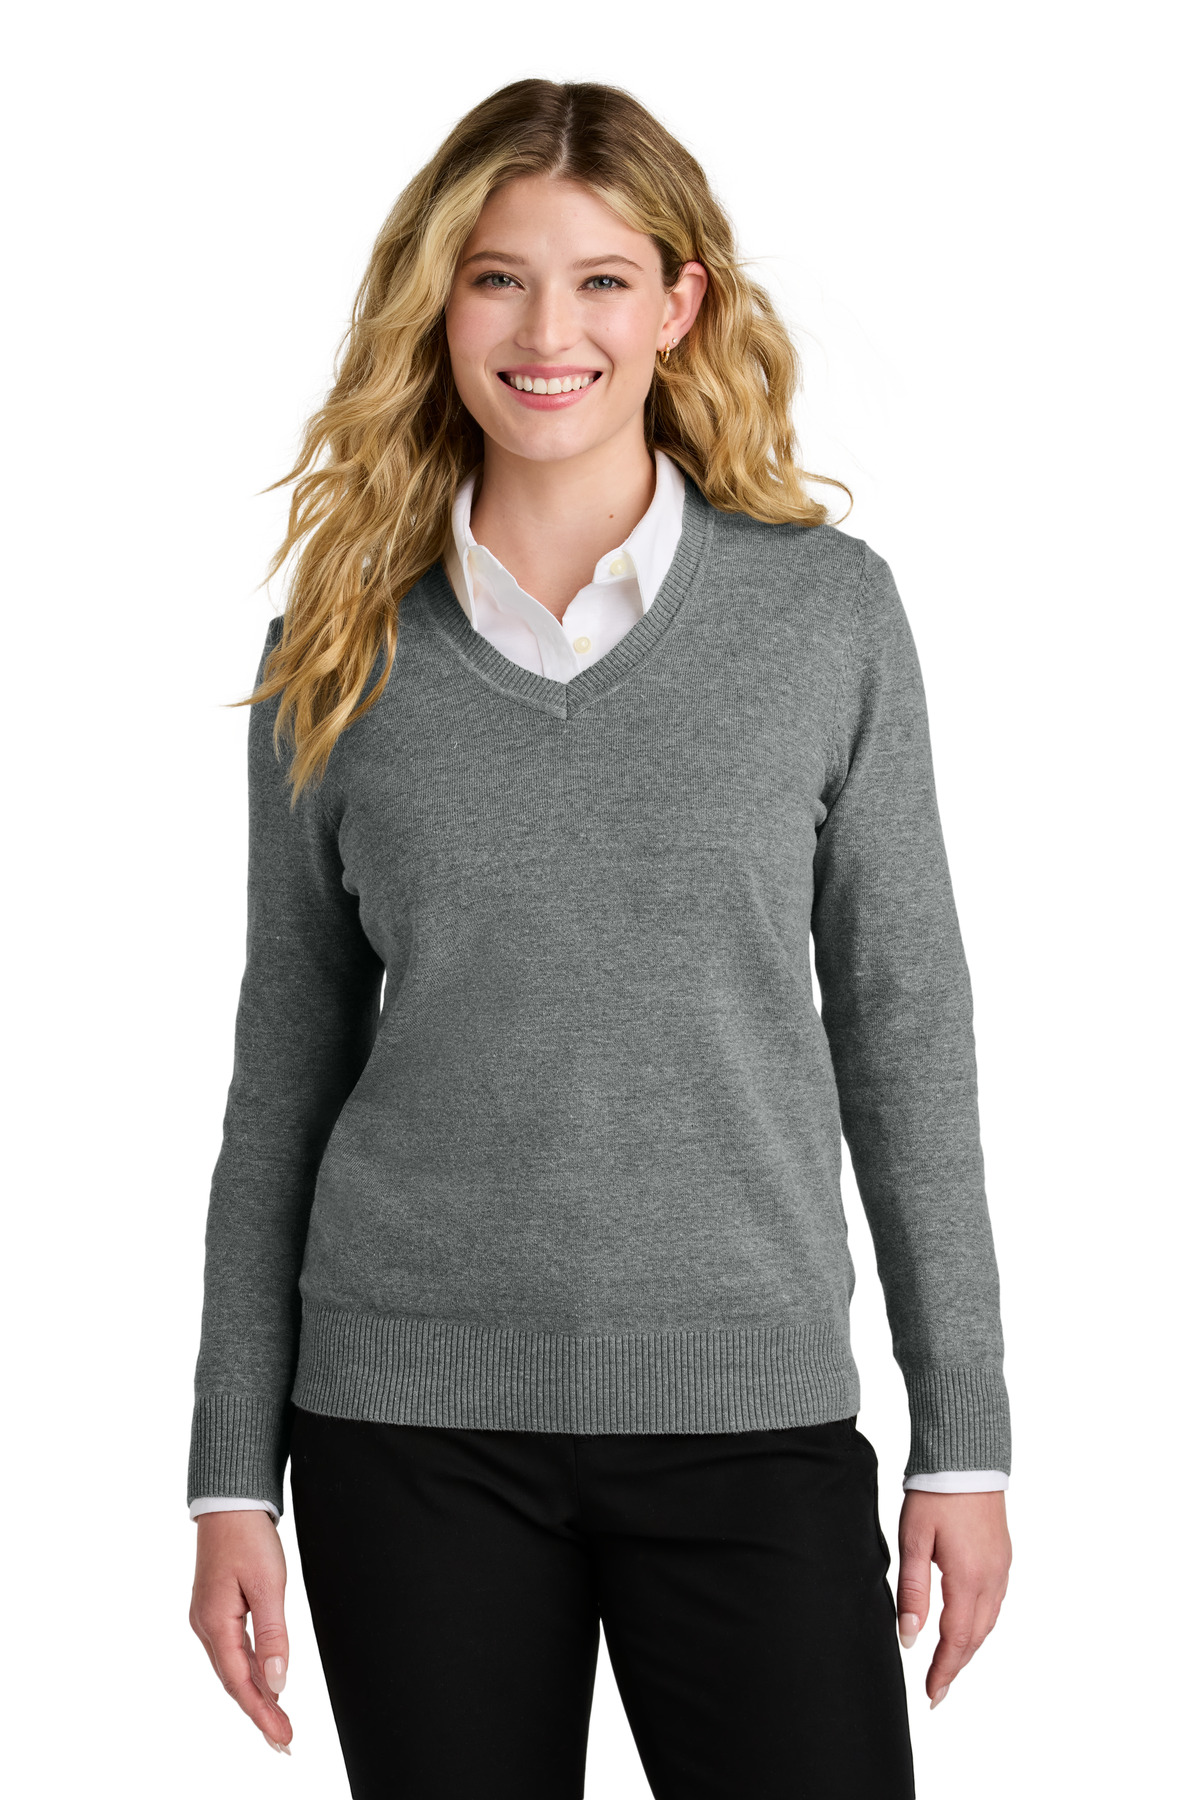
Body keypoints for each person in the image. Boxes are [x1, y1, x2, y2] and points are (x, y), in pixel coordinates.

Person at [187, 77, 1012, 1799]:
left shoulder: (825, 616)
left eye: (601, 280)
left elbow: (905, 1026)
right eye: (497, 278)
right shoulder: (337, 648)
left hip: (749, 1413)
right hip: (404, 1428)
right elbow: (284, 1072)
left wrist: (965, 1438)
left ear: (679, 305)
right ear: (438, 305)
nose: (547, 332)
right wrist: (228, 1475)